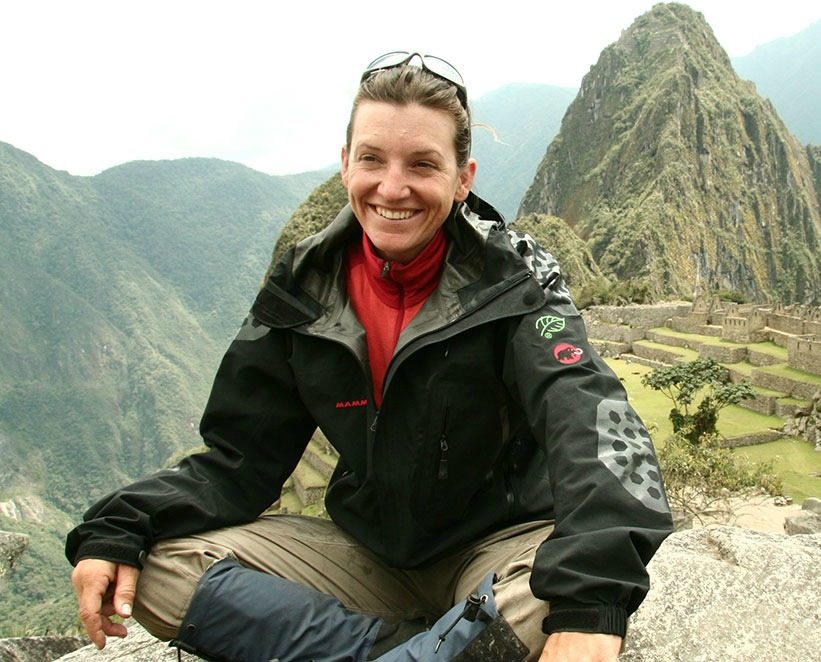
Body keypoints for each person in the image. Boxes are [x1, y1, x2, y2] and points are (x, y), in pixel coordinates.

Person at [66, 51, 673, 661]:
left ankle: (436, 642)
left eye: (423, 165)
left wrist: (593, 603)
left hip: (497, 550)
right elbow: (239, 458)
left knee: (555, 602)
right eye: (372, 160)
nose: (392, 187)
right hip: (369, 558)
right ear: (344, 164)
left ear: (463, 178)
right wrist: (119, 525)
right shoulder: (306, 286)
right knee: (156, 567)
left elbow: (586, 415)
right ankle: (425, 649)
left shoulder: (512, 280)